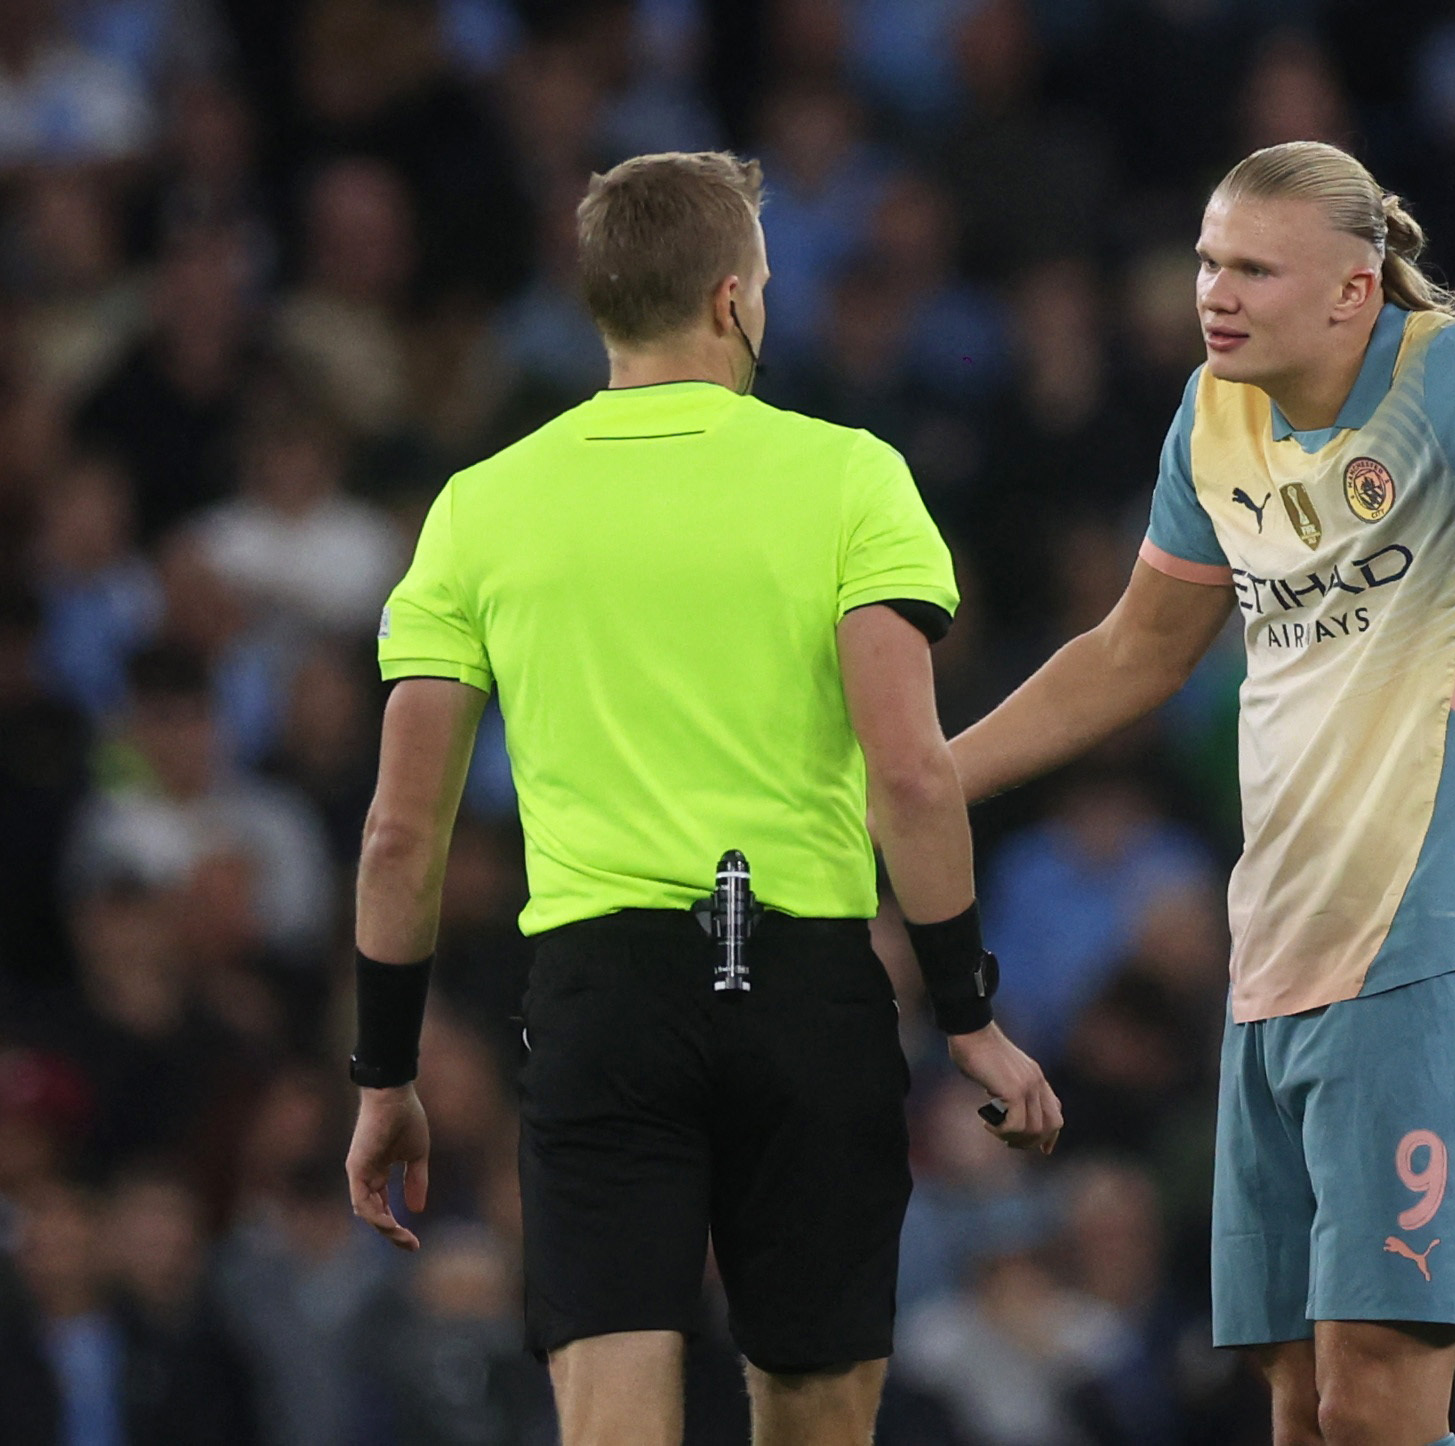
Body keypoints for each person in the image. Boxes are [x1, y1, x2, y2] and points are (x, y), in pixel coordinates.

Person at [949, 139, 1455, 1444]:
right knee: (1299, 1409)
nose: (1213, 293)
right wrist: (929, 779)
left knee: (1374, 1402)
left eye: (1252, 269)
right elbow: (1133, 652)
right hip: (1275, 965)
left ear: (1352, 289)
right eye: (1206, 262)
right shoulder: (1211, 416)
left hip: (1437, 947)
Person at [341, 150, 1061, 1446]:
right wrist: (966, 1013)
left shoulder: (479, 506)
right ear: (733, 298)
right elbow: (910, 770)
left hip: (602, 997)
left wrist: (385, 1072)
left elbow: (402, 832)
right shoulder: (850, 475)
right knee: (818, 1414)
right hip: (806, 985)